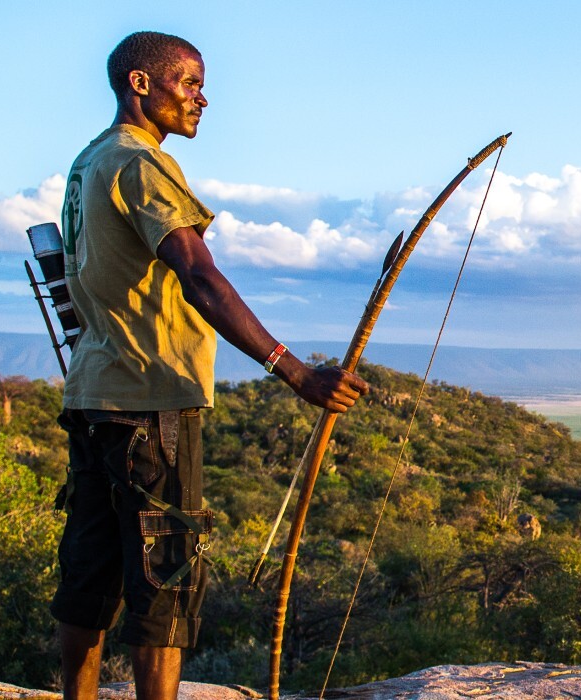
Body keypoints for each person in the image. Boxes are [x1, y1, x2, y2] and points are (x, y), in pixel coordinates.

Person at [50, 30, 369, 700]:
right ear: (141, 84)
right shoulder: (141, 163)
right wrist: (294, 372)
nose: (201, 98)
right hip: (150, 401)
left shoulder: (88, 162)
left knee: (89, 576)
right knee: (164, 584)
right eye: (188, 82)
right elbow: (198, 274)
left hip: (93, 394)